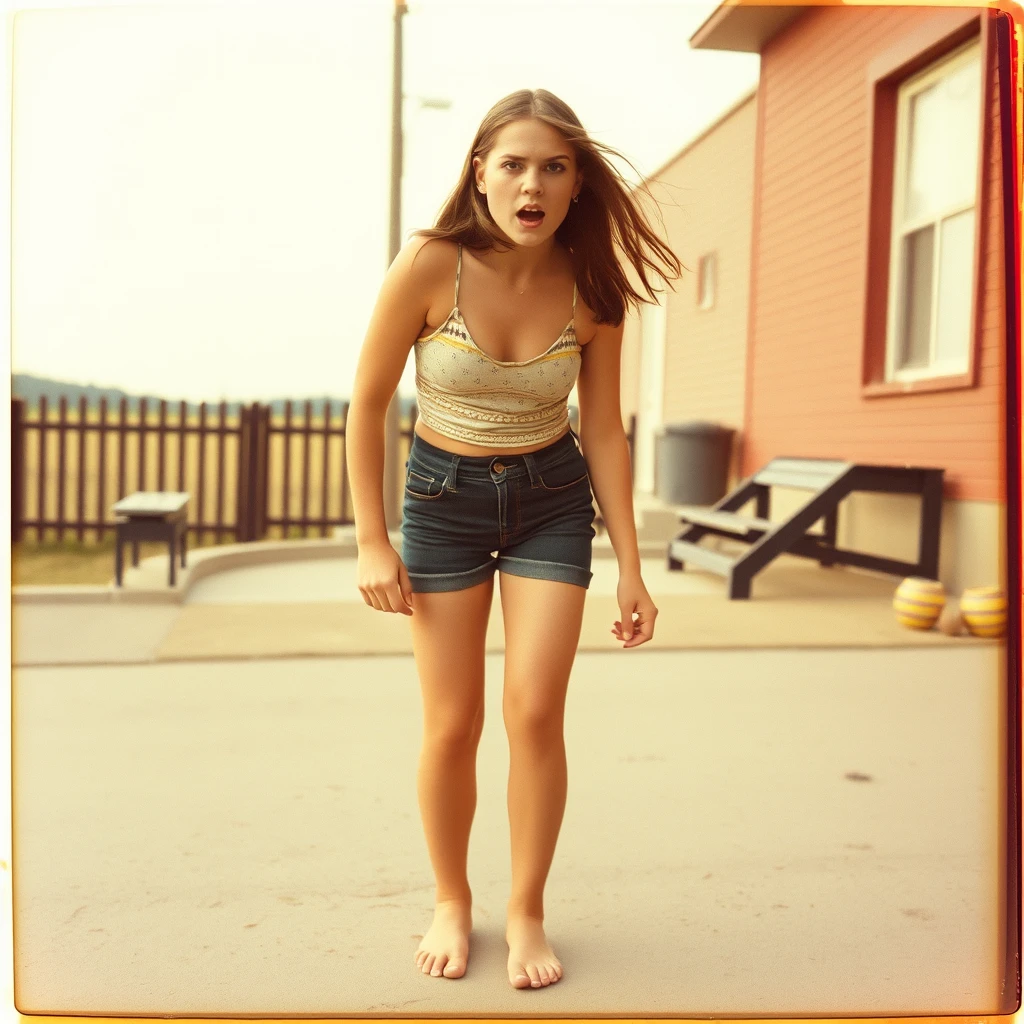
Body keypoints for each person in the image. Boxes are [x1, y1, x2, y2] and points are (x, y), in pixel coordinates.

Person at [347, 88, 682, 991]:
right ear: (480, 173)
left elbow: (605, 430)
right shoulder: (429, 264)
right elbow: (369, 403)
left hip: (551, 499)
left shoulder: (593, 284)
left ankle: (527, 908)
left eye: (554, 166)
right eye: (515, 164)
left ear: (576, 182)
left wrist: (633, 572)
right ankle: (452, 899)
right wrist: (372, 540)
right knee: (452, 725)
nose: (533, 182)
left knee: (535, 712)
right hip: (442, 503)